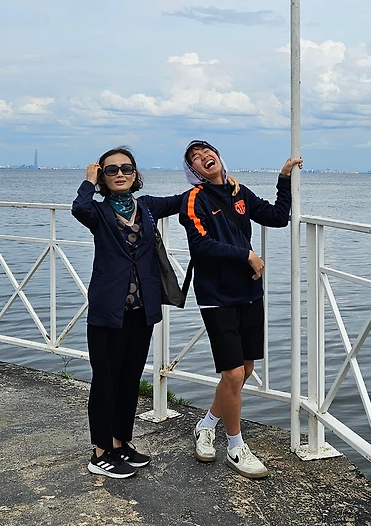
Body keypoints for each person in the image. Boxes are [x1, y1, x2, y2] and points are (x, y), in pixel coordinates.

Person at [178, 139, 301, 479]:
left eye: (207, 152)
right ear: (193, 171)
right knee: (232, 374)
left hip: (249, 292)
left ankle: (207, 425)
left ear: (218, 157)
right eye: (195, 158)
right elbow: (201, 245)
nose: (204, 157)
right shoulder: (195, 199)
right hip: (217, 295)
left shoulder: (239, 192)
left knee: (245, 370)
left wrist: (284, 178)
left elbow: (278, 218)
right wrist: (246, 254)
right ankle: (235, 446)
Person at [72, 146, 184, 479]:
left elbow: (182, 200)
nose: (120, 174)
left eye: (126, 168)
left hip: (141, 309)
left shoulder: (147, 207)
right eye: (111, 170)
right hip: (109, 310)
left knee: (130, 378)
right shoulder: (98, 211)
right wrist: (88, 181)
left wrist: (216, 180)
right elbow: (79, 208)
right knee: (105, 379)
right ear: (102, 177)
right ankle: (100, 451)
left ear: (135, 174)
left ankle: (120, 443)